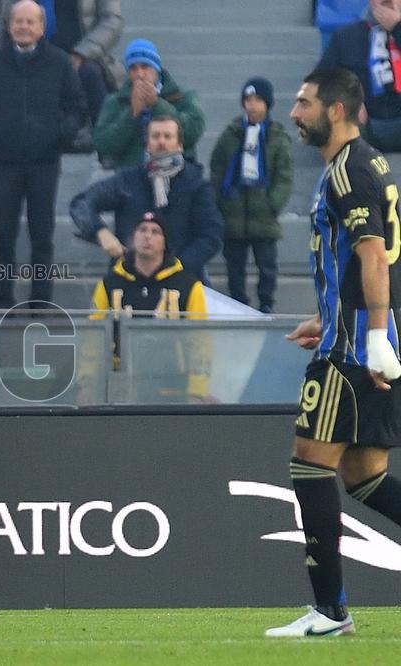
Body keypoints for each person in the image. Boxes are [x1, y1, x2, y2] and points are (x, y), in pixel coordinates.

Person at [266, 67, 401, 638]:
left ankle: (329, 612)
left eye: (304, 103)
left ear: (336, 110)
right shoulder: (365, 164)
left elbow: (374, 257)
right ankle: (329, 612)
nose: (295, 113)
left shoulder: (348, 171)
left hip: (352, 349)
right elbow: (362, 261)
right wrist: (328, 315)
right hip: (355, 333)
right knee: (364, 474)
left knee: (309, 463)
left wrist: (372, 336)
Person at [0, 0, 86, 307]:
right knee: (4, 233)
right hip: (4, 162)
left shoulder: (59, 63)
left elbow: (77, 107)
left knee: (42, 234)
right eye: (18, 21)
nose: (24, 27)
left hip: (45, 162)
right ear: (9, 25)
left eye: (31, 22)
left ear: (42, 27)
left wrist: (59, 135)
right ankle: (4, 296)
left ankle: (41, 298)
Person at [70, 115, 223, 282]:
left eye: (168, 136)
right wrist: (100, 231)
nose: (161, 142)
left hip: (182, 278)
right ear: (147, 144)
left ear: (180, 145)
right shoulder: (128, 180)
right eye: (155, 136)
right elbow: (82, 203)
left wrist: (174, 269)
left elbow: (211, 236)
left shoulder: (196, 185)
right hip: (131, 277)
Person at [89, 211, 210, 401]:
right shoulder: (109, 283)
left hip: (173, 388)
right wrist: (87, 385)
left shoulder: (188, 285)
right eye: (142, 230)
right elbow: (93, 339)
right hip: (121, 388)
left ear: (165, 242)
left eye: (155, 232)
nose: (147, 236)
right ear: (133, 238)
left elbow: (200, 343)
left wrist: (197, 391)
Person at [210, 77, 294, 313]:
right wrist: (221, 198)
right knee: (234, 264)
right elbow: (217, 167)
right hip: (234, 211)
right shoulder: (231, 134)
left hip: (263, 214)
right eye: (248, 99)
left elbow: (284, 175)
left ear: (268, 103)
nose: (253, 105)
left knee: (267, 264)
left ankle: (266, 302)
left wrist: (272, 202)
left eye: (258, 99)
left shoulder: (277, 137)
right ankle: (238, 301)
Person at [93, 38, 205, 168]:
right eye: (133, 69)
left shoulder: (182, 95)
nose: (140, 74)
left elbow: (193, 132)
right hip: (131, 173)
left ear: (156, 68)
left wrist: (157, 104)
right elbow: (103, 145)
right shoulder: (115, 101)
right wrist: (132, 114)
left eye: (145, 67)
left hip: (177, 171)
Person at [319, 0, 401, 151]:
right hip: (365, 123)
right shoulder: (346, 36)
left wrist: (397, 27)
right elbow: (321, 80)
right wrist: (347, 99)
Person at [48, 0, 124, 121]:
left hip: (86, 58)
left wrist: (81, 53)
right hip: (41, 56)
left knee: (90, 73)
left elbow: (112, 21)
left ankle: (104, 128)